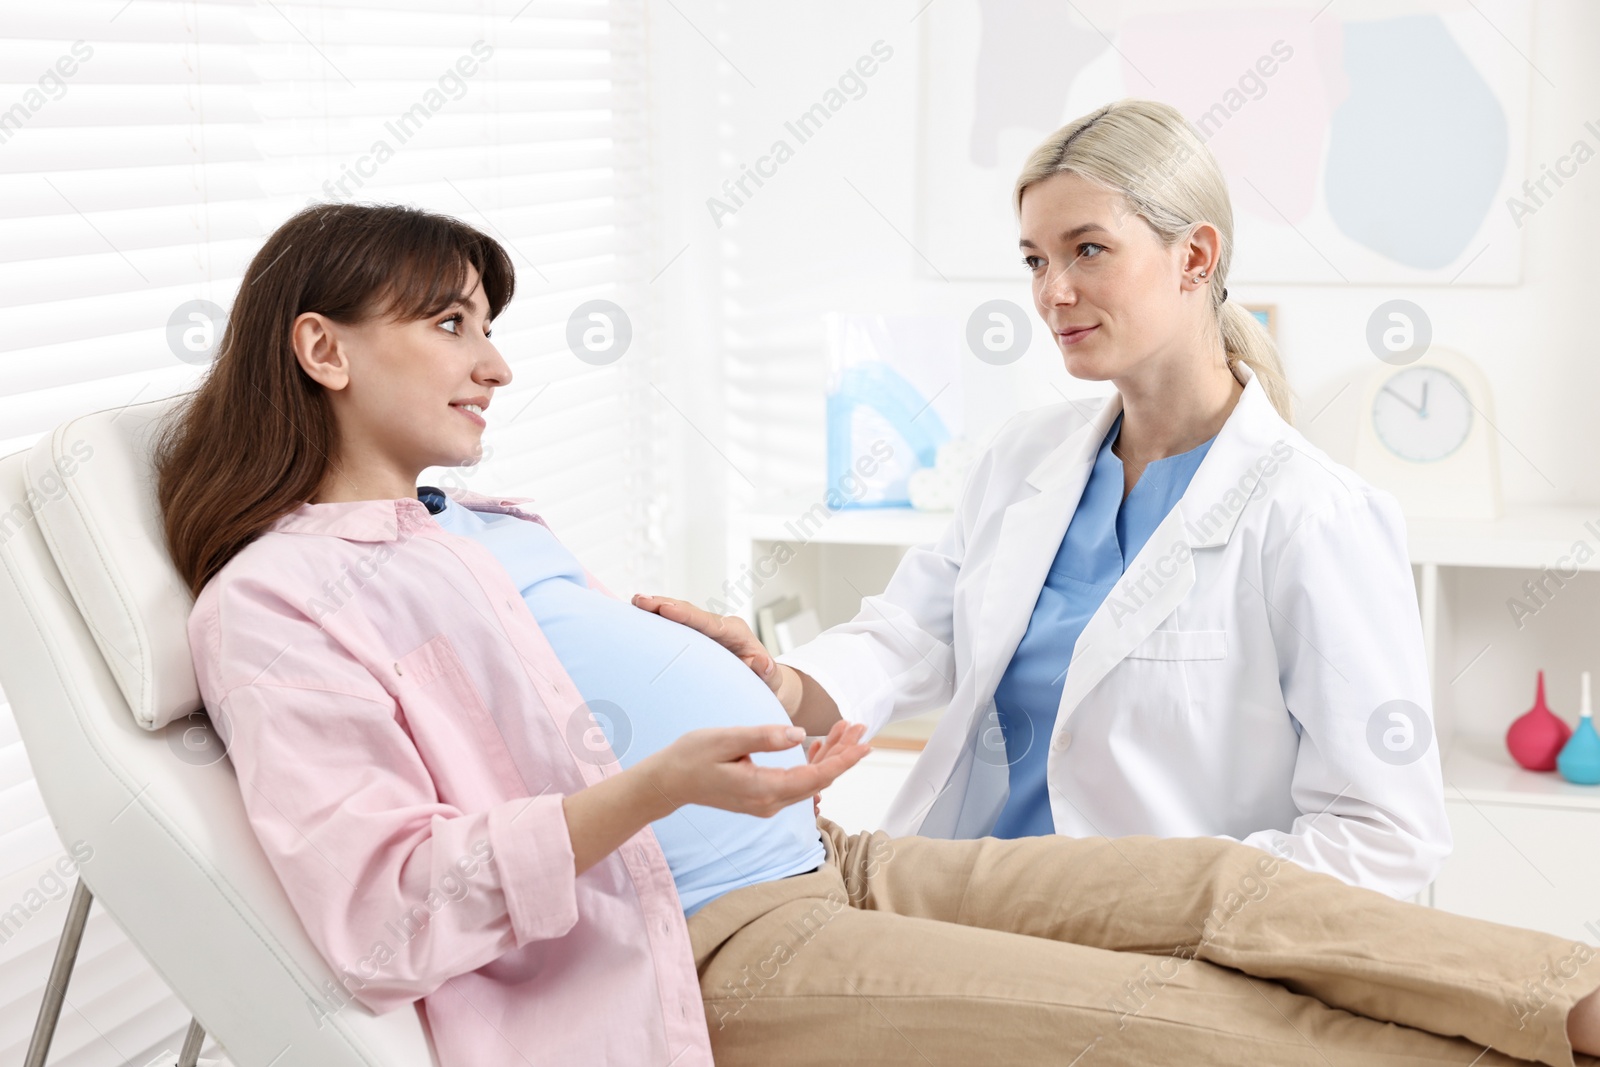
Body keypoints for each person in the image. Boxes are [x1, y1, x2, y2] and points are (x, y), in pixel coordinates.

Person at [158, 202, 1600, 1067]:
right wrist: (658, 782)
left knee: (1226, 892)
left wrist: (762, 686)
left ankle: (1576, 1000)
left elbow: (570, 705)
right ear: (322, 346)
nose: (499, 358)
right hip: (709, 936)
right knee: (1174, 1016)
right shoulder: (281, 603)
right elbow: (385, 906)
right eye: (453, 322)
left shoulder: (483, 520)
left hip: (833, 855)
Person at [636, 98, 1449, 900]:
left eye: (1087, 250)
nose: (1052, 291)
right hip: (965, 904)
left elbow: (1384, 835)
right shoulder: (1025, 457)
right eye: (1034, 260)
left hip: (1154, 955)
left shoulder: (1316, 513)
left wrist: (1156, 902)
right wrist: (775, 681)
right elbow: (909, 637)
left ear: (1195, 257)